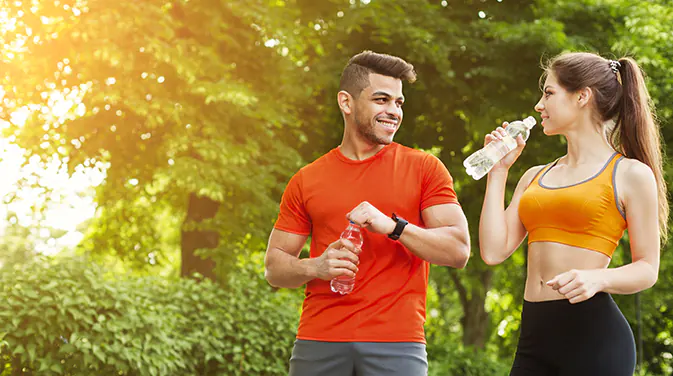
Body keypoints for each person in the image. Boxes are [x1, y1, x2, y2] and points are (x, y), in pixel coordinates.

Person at [264, 50, 471, 376]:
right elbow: (274, 267)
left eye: (399, 102)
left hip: (397, 344)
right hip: (318, 341)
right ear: (346, 103)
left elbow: (458, 250)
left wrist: (394, 227)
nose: (393, 111)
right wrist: (315, 266)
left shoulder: (424, 168)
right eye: (381, 100)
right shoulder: (307, 180)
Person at [479, 51, 667, 376]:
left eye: (549, 93)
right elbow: (494, 251)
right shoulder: (534, 176)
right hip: (534, 340)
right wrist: (497, 173)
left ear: (582, 96)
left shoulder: (630, 174)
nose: (539, 105)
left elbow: (647, 269)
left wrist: (596, 278)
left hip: (594, 340)